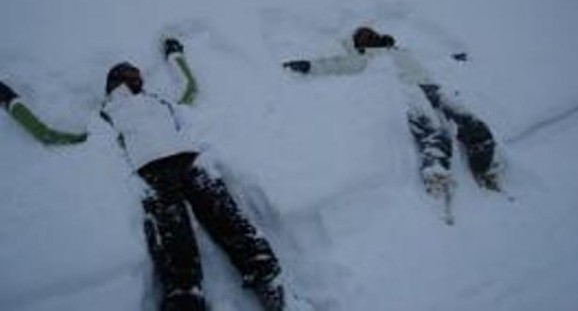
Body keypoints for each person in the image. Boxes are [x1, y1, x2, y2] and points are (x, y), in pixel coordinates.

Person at [0, 38, 286, 311]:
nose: (138, 78)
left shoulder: (160, 101)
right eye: (131, 73)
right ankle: (185, 298)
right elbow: (50, 134)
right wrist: (10, 101)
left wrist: (175, 54)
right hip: (153, 174)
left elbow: (189, 88)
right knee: (175, 239)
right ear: (115, 80)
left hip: (190, 161)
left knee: (226, 215)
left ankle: (264, 272)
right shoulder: (107, 112)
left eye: (138, 73)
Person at [282, 26, 502, 204]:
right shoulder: (365, 57)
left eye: (369, 33)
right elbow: (337, 64)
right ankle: (436, 174)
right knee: (434, 131)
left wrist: (454, 58)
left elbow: (431, 57)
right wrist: (309, 66)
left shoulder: (397, 50)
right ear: (357, 43)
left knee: (468, 118)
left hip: (432, 87)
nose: (367, 36)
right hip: (409, 91)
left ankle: (484, 161)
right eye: (361, 35)